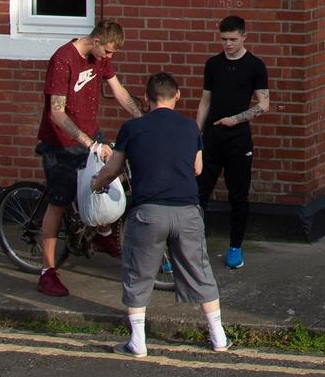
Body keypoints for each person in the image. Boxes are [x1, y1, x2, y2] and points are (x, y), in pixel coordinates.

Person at [91, 71, 230, 356]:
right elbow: (198, 169)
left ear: (146, 99)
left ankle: (138, 342)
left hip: (148, 213)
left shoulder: (132, 128)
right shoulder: (191, 128)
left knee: (138, 273)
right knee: (200, 270)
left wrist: (97, 184)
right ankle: (218, 337)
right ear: (177, 96)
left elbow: (113, 168)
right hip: (187, 212)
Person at [32, 18, 142, 298]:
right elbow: (56, 113)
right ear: (95, 41)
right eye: (107, 51)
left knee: (106, 180)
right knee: (58, 203)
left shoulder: (100, 59)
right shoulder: (63, 59)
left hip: (91, 135)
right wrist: (89, 143)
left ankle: (103, 235)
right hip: (61, 144)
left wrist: (143, 120)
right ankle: (47, 273)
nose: (109, 57)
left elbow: (118, 90)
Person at [195, 14, 269, 270]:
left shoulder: (255, 66)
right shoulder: (213, 64)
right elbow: (206, 99)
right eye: (224, 39)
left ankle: (235, 246)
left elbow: (263, 104)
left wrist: (235, 119)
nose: (228, 44)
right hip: (212, 137)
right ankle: (191, 247)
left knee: (238, 195)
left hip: (238, 139)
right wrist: (197, 133)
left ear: (243, 37)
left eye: (233, 39)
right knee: (199, 193)